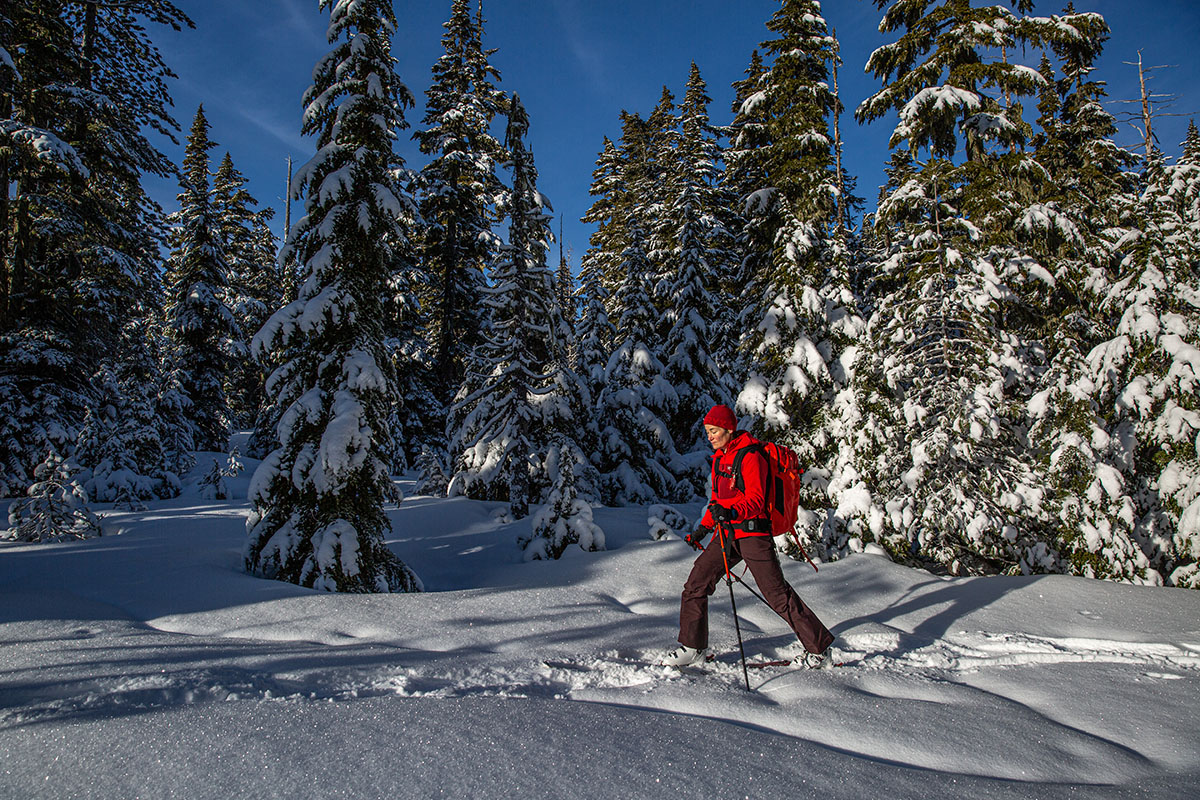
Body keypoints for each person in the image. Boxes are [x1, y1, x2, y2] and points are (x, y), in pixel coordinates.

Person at [662, 404, 835, 668]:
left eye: (714, 431)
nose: (709, 436)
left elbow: (756, 500)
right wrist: (704, 528)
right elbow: (718, 500)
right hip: (727, 534)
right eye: (707, 431)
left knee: (777, 595)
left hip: (753, 534)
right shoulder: (721, 458)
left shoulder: (751, 455)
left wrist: (728, 511)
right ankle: (693, 647)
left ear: (729, 429)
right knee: (696, 584)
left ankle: (820, 650)